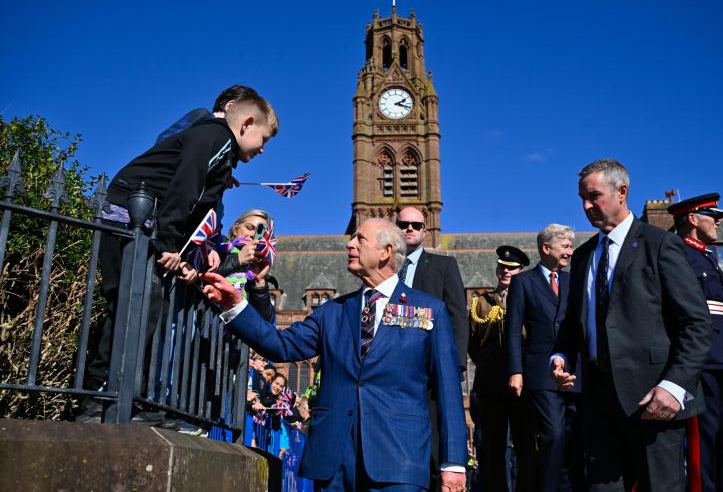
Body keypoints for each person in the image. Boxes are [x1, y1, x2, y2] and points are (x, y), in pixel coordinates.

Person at [200, 218, 467, 492]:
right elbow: (281, 345)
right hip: (333, 462)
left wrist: (454, 463)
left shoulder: (429, 310)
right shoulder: (332, 312)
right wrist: (235, 306)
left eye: (360, 239)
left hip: (399, 460)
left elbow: (448, 390)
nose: (349, 244)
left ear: (386, 252)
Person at [78, 85, 279, 421]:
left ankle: (128, 396)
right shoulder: (214, 138)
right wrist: (169, 245)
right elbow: (183, 188)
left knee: (146, 307)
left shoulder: (223, 154)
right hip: (130, 217)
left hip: (148, 226)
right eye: (264, 139)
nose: (262, 150)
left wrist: (188, 255)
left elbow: (200, 207)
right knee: (132, 305)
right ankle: (100, 396)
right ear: (245, 123)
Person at [551, 159, 712, 491]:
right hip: (597, 405)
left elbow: (695, 323)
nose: (586, 206)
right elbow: (572, 323)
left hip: (653, 400)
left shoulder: (660, 244)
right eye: (582, 197)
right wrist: (561, 357)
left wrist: (675, 387)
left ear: (622, 191)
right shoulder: (582, 257)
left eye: (594, 196)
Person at [667, 193, 723, 491]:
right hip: (702, 358)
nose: (718, 221)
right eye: (712, 216)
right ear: (692, 219)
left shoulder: (705, 255)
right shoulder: (676, 252)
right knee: (705, 439)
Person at [506, 225, 585, 492]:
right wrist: (515, 371)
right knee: (554, 434)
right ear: (546, 248)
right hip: (539, 372)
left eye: (571, 247)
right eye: (564, 246)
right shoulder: (523, 282)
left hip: (574, 371)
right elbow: (513, 329)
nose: (569, 252)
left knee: (576, 437)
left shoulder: (572, 281)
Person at [395, 206, 468, 490]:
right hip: (390, 373)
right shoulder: (381, 269)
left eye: (416, 225)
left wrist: (454, 366)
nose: (410, 229)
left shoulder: (443, 266)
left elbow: (458, 317)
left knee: (436, 452)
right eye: (404, 224)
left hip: (430, 373)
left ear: (425, 230)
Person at [468, 245, 536, 492]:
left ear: (522, 271)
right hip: (491, 384)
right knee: (493, 448)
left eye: (512, 268)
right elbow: (473, 345)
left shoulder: (531, 300)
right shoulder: (482, 303)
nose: (506, 271)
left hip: (525, 386)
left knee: (526, 445)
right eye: (502, 267)